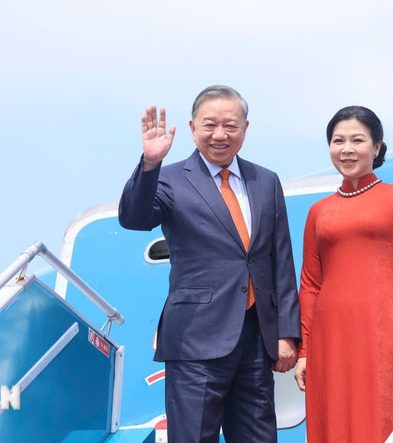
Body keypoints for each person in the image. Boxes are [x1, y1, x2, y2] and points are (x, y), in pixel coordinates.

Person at [118, 85, 300, 443]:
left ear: (245, 128)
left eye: (230, 125)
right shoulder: (169, 178)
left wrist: (287, 333)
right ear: (192, 127)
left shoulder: (266, 180)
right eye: (210, 125)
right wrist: (150, 163)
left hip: (255, 338)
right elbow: (135, 217)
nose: (220, 135)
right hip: (194, 339)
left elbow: (280, 260)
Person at [294, 106, 393, 443]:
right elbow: (310, 284)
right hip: (329, 332)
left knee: (384, 407)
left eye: (357, 140)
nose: (346, 149)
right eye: (338, 141)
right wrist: (305, 350)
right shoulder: (319, 210)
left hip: (381, 323)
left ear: (376, 148)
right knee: (334, 414)